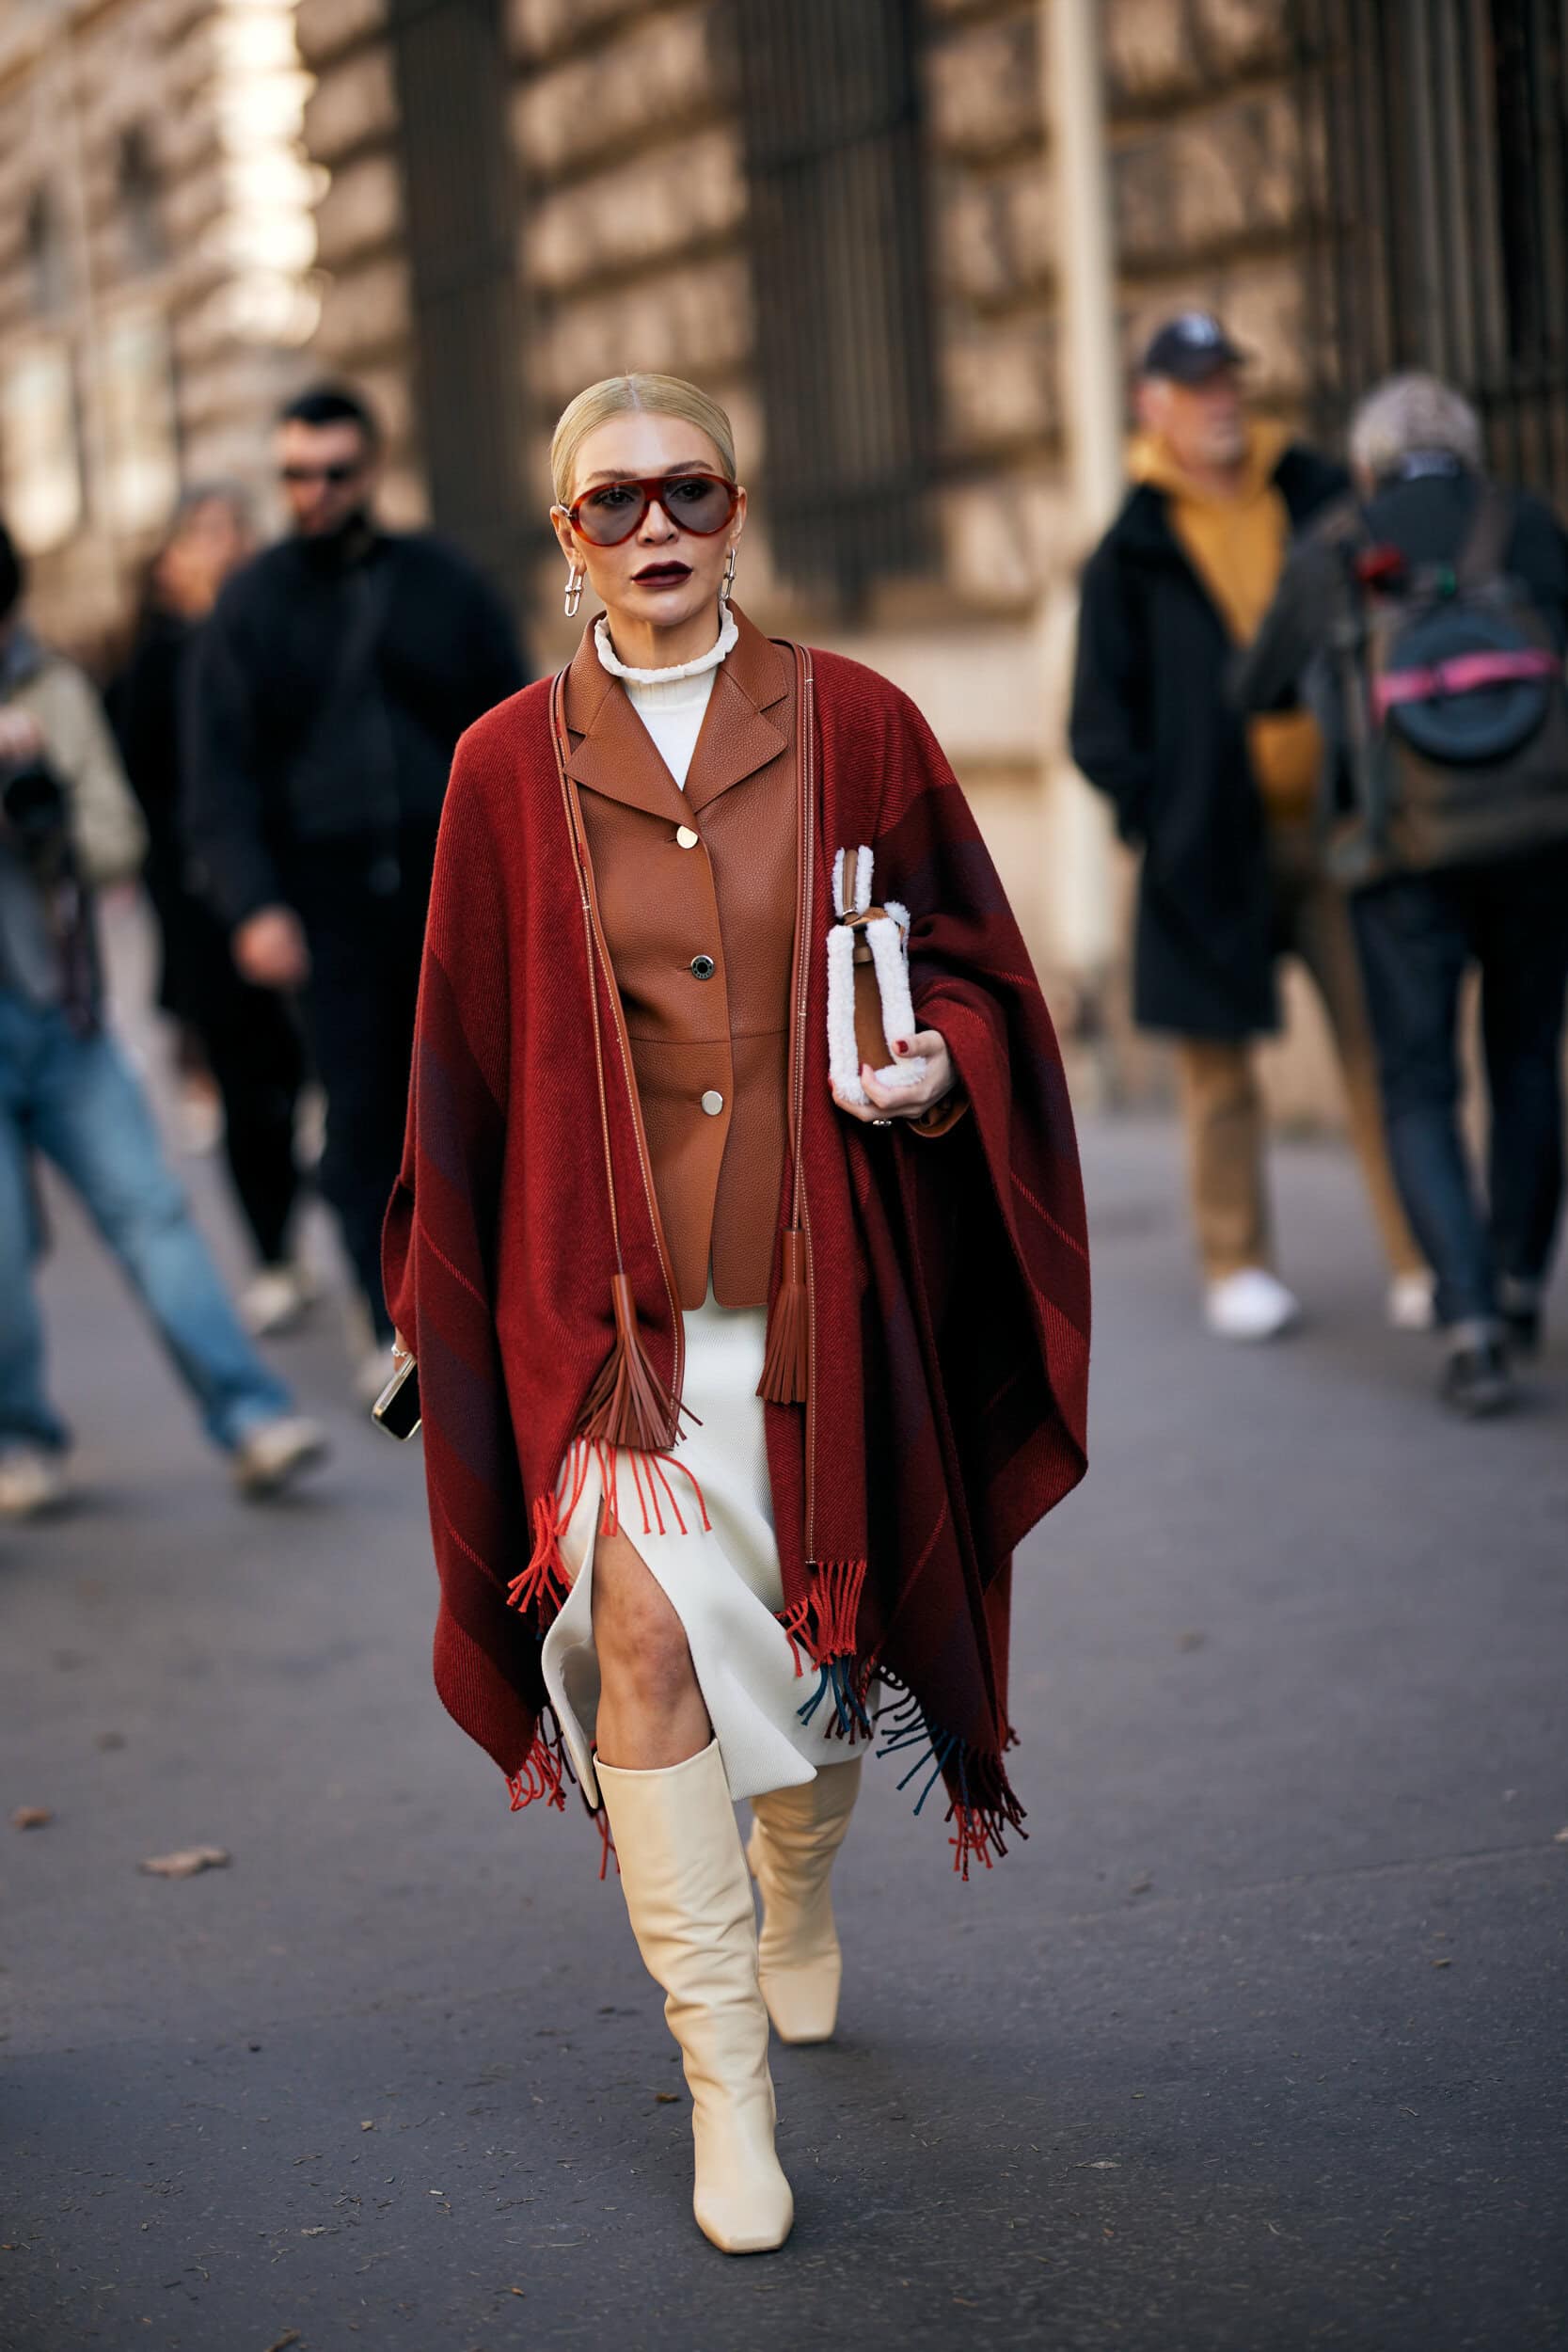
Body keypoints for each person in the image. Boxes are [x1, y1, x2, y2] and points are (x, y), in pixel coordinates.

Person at [383, 373, 1091, 2254]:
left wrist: (933, 1072)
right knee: (641, 1645)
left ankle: (794, 1876)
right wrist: (436, 1291)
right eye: (609, 504)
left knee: (817, 1655)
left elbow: (975, 970)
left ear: (737, 503)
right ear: (564, 540)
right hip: (614, 1328)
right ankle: (723, 2084)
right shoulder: (493, 766)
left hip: (826, 1282)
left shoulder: (857, 720)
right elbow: (458, 1054)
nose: (654, 528)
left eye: (685, 488)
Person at [1069, 311, 1429, 1341]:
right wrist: (1159, 814)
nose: (1220, 401)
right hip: (1204, 844)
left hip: (1337, 828)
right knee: (1215, 1070)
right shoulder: (1127, 550)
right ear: (1153, 406)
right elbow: (1096, 724)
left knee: (1381, 1046)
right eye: (1195, 387)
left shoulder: (1318, 495)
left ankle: (1419, 1258)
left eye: (1228, 379)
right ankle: (1235, 1265)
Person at [1234, 373, 1568, 1415]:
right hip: (1532, 836)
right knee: (1522, 1056)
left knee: (1416, 1082)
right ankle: (1517, 1283)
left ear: (1370, 462)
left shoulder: (1336, 543)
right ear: (1466, 454)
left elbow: (1252, 688)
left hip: (1394, 852)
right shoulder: (1523, 522)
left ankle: (1467, 1323)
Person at [184, 383, 526, 1395]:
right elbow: (221, 777)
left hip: (443, 880)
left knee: (474, 1095)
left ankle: (489, 1299)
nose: (314, 492)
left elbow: (510, 725)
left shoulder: (439, 583)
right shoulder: (249, 606)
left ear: (370, 469)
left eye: (334, 472)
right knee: (364, 1109)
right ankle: (399, 1324)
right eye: (295, 474)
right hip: (321, 898)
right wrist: (253, 905)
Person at [0, 519, 326, 1518]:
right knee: (3, 1248)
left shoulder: (48, 689)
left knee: (154, 1214)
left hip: (65, 1013)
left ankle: (251, 1414)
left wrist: (38, 787)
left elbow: (114, 838)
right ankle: (21, 1438)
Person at [108, 485, 311, 1337]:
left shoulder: (287, 637)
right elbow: (137, 801)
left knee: (317, 1076)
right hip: (201, 910)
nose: (223, 549)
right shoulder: (151, 669)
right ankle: (272, 1254)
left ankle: (361, 1264)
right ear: (173, 559)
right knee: (242, 1085)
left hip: (296, 893)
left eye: (237, 531)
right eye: (205, 535)